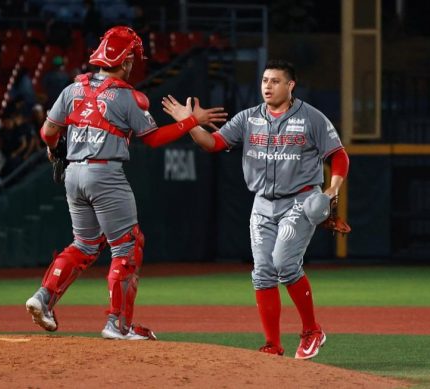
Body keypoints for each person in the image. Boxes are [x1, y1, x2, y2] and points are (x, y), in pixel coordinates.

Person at [25, 26, 226, 340]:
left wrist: (55, 151)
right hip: (105, 174)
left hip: (74, 175)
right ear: (127, 61)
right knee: (128, 248)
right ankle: (117, 325)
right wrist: (191, 121)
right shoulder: (126, 97)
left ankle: (44, 297)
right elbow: (155, 139)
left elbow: (48, 133)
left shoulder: (72, 89)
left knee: (84, 245)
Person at [162, 60, 350, 359]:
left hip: (300, 200)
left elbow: (338, 156)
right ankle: (273, 345)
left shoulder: (311, 118)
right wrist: (190, 124)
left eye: (275, 81)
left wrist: (333, 189)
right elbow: (212, 143)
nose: (267, 86)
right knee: (262, 273)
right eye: (264, 80)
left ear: (290, 86)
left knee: (284, 264)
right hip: (262, 203)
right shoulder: (248, 118)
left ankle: (312, 330)